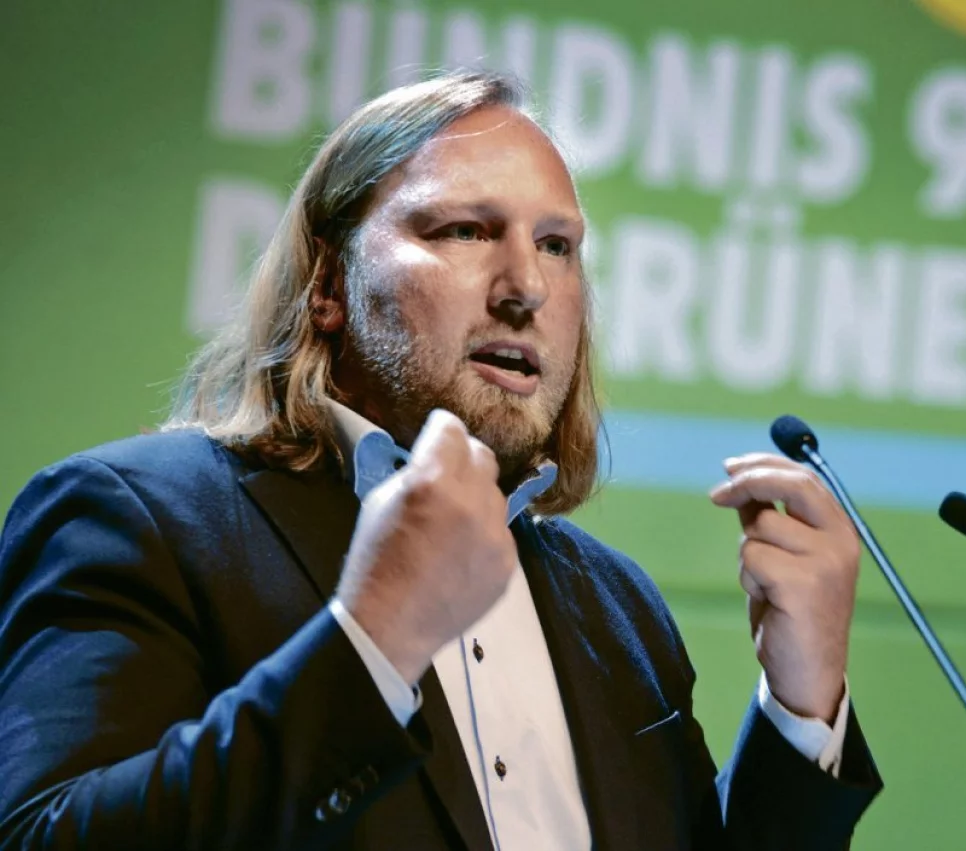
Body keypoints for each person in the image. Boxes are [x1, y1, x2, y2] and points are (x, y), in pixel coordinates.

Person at [0, 72, 882, 850]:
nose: (525, 286)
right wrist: (373, 639)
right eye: (465, 230)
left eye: (557, 246)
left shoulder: (622, 610)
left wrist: (802, 709)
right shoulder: (136, 518)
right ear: (330, 285)